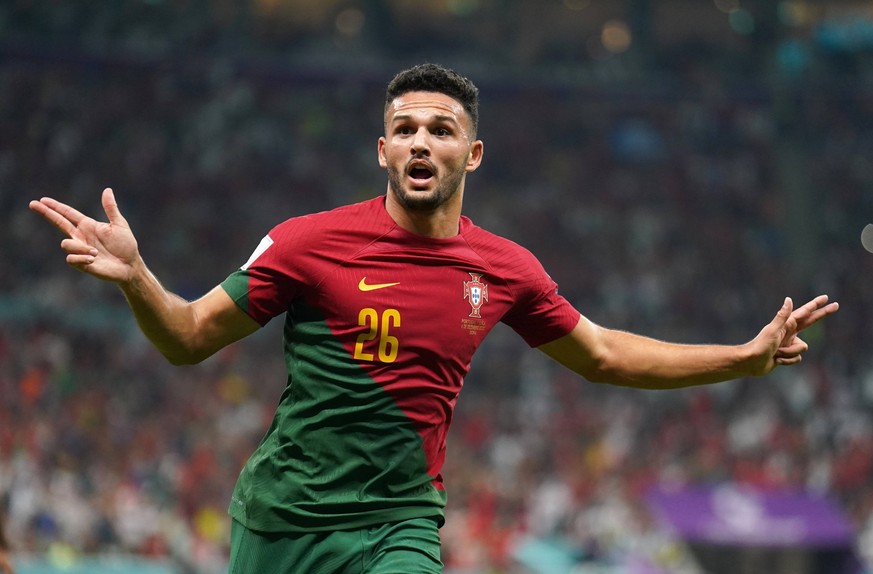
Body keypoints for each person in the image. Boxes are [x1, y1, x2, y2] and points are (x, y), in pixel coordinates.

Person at [29, 63, 839, 573]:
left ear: (471, 155)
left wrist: (744, 356)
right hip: (281, 520)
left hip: (399, 526)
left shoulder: (505, 268)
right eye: (405, 129)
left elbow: (604, 355)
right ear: (382, 149)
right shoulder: (307, 243)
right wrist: (137, 278)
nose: (421, 141)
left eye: (441, 130)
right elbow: (189, 338)